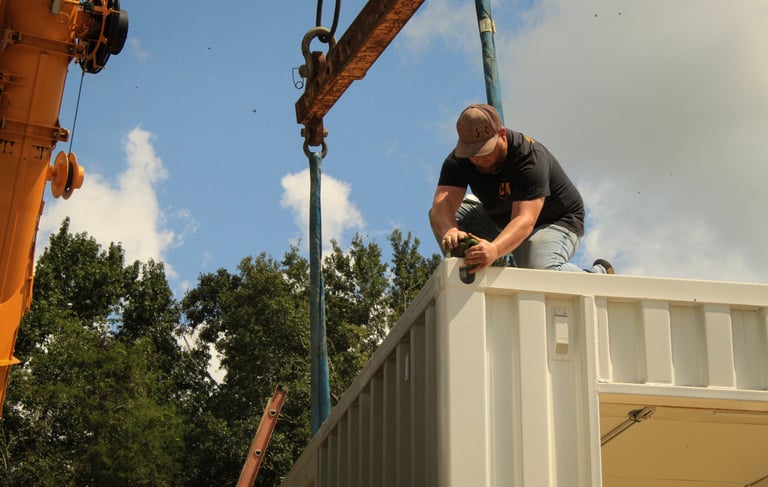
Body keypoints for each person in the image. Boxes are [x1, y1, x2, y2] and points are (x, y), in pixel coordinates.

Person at [429, 103, 613, 276]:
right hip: (501, 217)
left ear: (501, 134)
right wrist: (450, 231)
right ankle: (470, 271)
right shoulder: (459, 160)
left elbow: (524, 220)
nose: (478, 159)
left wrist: (495, 249)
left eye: (485, 150)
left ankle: (598, 274)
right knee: (446, 219)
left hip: (554, 221)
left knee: (537, 272)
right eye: (472, 152)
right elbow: (441, 206)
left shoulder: (529, 158)